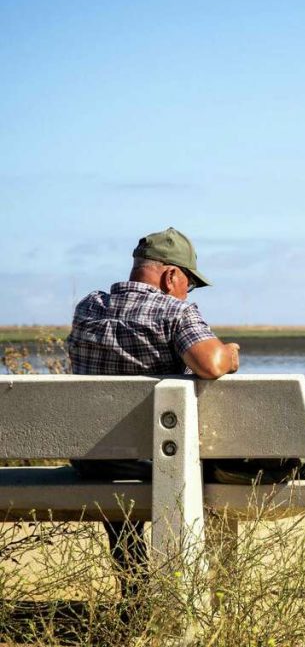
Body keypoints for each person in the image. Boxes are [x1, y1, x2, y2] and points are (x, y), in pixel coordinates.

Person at [67, 227, 240, 596]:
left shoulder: (88, 308)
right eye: (188, 284)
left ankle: (134, 586)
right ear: (172, 275)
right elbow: (209, 364)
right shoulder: (174, 311)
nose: (186, 292)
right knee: (203, 467)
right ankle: (219, 588)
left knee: (116, 460)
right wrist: (230, 353)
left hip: (92, 462)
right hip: (160, 465)